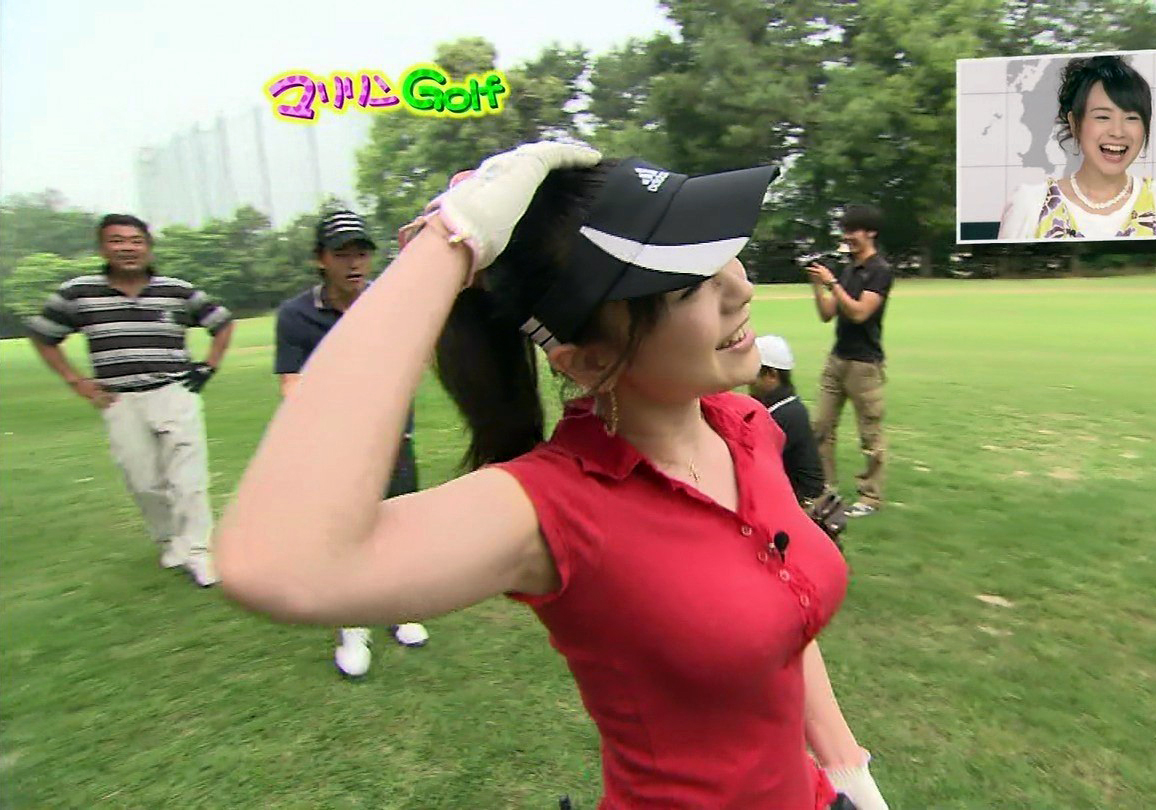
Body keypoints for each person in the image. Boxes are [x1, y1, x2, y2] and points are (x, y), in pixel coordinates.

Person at [215, 144, 889, 808]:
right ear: (586, 361)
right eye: (687, 284)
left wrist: (848, 773)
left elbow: (779, 625)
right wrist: (449, 241)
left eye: (718, 252)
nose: (740, 288)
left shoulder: (745, 426)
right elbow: (281, 563)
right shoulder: (554, 507)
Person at [26, 213, 234, 587]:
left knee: (188, 479)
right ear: (102, 248)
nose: (127, 248)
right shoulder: (79, 293)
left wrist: (209, 366)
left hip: (174, 392)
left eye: (136, 241)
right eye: (117, 241)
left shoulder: (176, 290)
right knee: (143, 482)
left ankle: (199, 551)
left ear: (148, 247)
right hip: (119, 399)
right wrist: (76, 381)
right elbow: (43, 335)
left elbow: (221, 322)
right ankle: (170, 540)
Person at [272, 209, 430, 678]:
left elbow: (413, 362)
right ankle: (353, 624)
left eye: (361, 252)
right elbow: (291, 383)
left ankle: (398, 607)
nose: (355, 262)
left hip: (392, 434)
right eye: (342, 253)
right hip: (335, 442)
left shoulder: (391, 301)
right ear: (320, 259)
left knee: (396, 522)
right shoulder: (296, 315)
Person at [997, 54, 1156, 240]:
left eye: (1131, 118)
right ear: (1075, 123)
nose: (1118, 132)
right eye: (1102, 117)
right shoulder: (1031, 204)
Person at [805, 205, 893, 518]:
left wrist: (832, 283)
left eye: (853, 230)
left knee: (870, 433)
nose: (847, 237)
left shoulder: (880, 270)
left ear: (871, 232)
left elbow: (859, 312)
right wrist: (818, 285)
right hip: (837, 359)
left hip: (864, 364)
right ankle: (826, 490)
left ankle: (870, 496)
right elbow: (827, 314)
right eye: (845, 231)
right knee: (820, 427)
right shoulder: (849, 269)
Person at [749, 334, 825, 504]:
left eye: (754, 372)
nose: (748, 380)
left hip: (802, 504)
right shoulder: (784, 405)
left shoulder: (785, 414)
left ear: (772, 375)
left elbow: (750, 462)